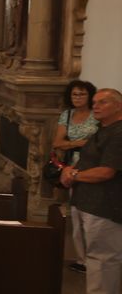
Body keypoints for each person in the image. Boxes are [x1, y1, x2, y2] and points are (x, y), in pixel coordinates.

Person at [61, 88, 122, 294]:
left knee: (103, 259)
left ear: (118, 106)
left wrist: (74, 175)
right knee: (97, 258)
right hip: (89, 203)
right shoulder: (103, 129)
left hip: (105, 205)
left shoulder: (119, 134)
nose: (95, 106)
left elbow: (106, 171)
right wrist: (69, 171)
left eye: (103, 102)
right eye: (95, 102)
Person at [54, 79, 100, 274]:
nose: (78, 98)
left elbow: (98, 144)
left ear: (90, 96)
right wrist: (78, 143)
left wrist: (73, 143)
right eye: (74, 94)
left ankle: (93, 259)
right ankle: (82, 259)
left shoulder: (96, 116)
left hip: (93, 165)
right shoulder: (67, 115)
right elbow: (57, 143)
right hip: (71, 166)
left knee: (92, 216)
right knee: (75, 213)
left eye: (82, 94)